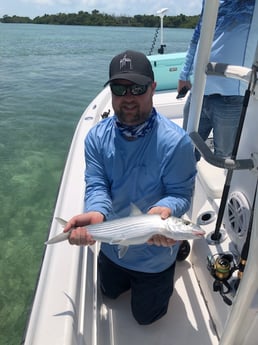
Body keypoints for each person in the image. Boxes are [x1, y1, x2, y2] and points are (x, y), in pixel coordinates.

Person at [63, 50, 196, 325]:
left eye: (137, 88)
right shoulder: (96, 137)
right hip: (113, 244)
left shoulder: (177, 143)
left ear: (153, 88)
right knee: (109, 294)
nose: (129, 98)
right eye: (119, 88)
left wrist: (165, 209)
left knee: (146, 318)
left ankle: (175, 252)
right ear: (111, 91)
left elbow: (180, 194)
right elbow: (97, 184)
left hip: (155, 256)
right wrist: (96, 213)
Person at [178, 0, 256, 160]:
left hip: (232, 95)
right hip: (199, 90)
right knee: (184, 153)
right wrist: (184, 74)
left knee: (225, 160)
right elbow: (198, 34)